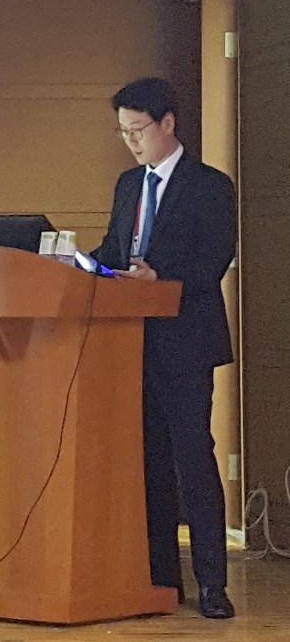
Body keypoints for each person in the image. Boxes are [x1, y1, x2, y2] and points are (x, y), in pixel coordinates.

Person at [91, 77, 236, 619]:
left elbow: (213, 261)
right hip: (133, 343)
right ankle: (161, 581)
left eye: (138, 129)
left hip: (186, 342)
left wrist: (161, 279)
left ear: (168, 123)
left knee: (192, 459)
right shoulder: (128, 185)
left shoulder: (209, 186)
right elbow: (113, 251)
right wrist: (71, 263)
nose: (131, 141)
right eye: (123, 132)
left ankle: (213, 585)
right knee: (149, 462)